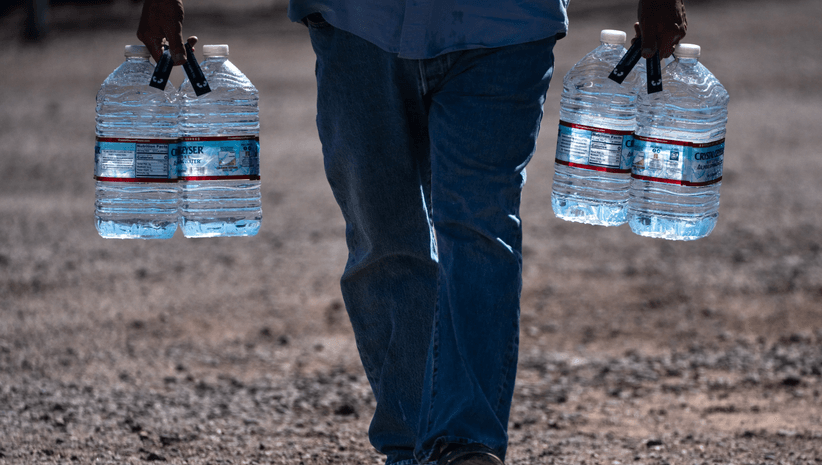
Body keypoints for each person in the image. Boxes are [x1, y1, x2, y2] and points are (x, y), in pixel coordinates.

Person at [137, 1, 687, 464]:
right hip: (357, 22)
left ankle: (467, 443)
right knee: (385, 234)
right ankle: (411, 443)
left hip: (505, 23)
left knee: (479, 226)